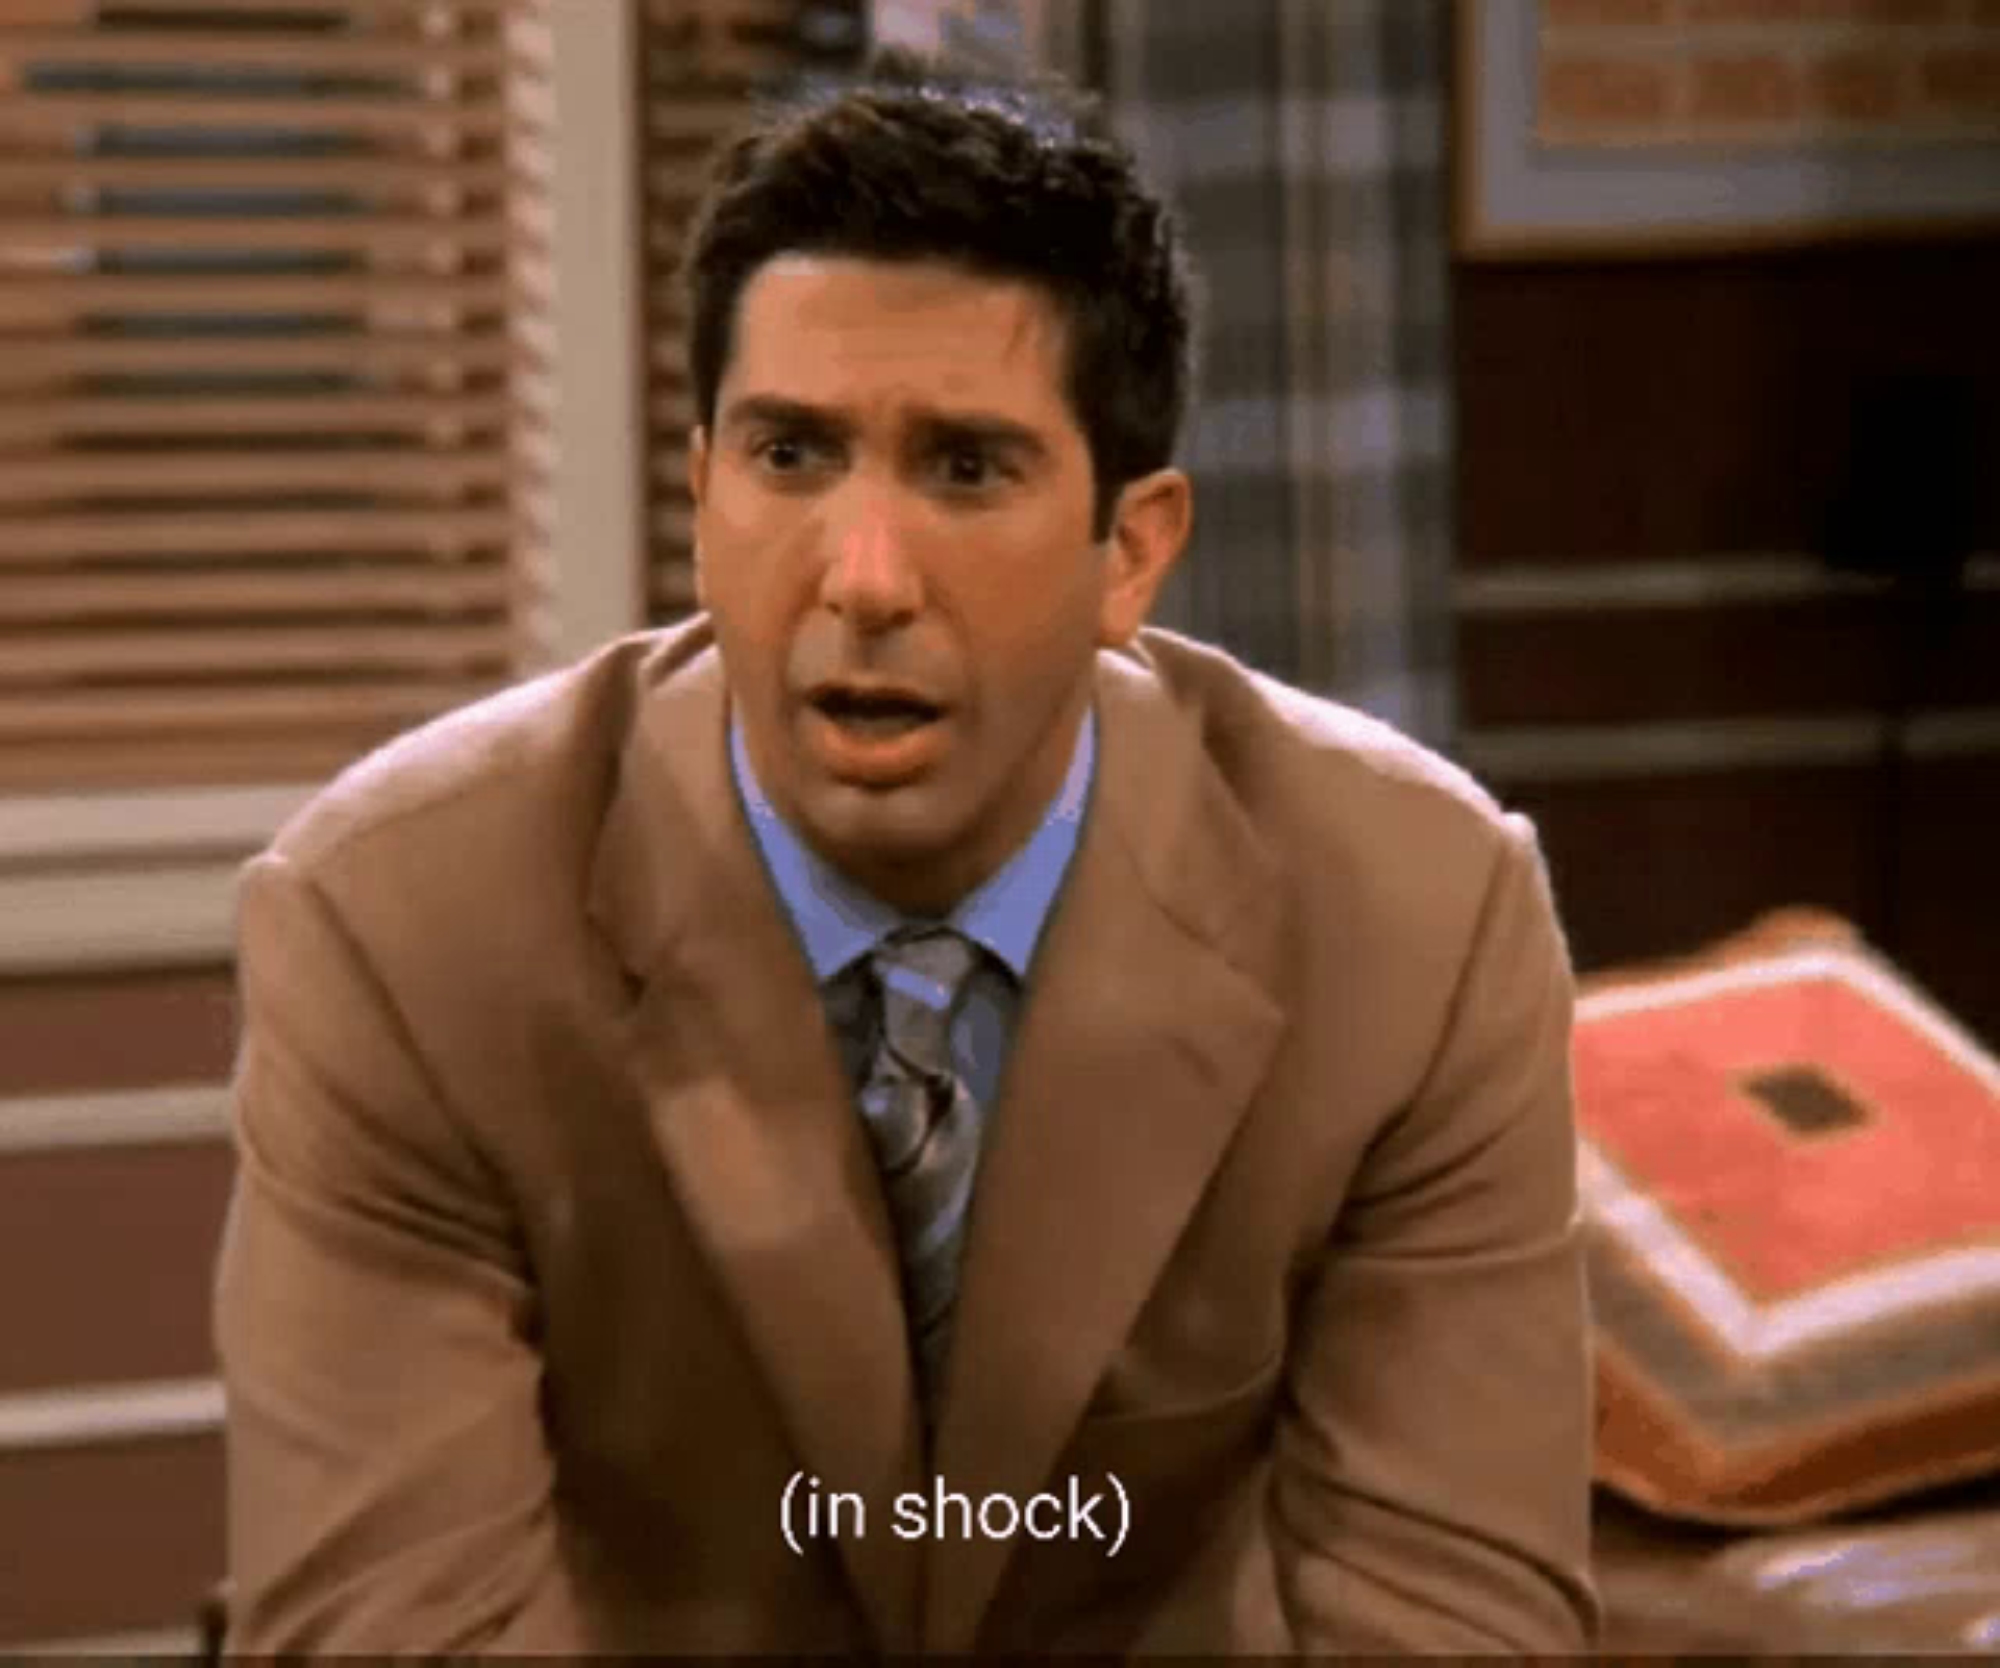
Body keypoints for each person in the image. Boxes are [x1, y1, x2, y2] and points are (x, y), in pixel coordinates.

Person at [212, 47, 1599, 1654]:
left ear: (1131, 551)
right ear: (702, 498)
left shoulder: (1415, 920)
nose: (863, 577)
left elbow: (1453, 1626)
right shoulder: (401, 926)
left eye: (965, 467)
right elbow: (399, 1633)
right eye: (790, 456)